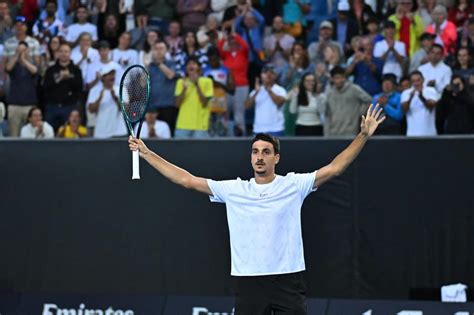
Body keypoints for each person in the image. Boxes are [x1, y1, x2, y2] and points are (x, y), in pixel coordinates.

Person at [127, 104, 386, 314]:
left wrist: (363, 135)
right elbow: (186, 180)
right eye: (255, 152)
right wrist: (147, 153)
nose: (259, 156)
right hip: (248, 281)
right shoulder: (234, 190)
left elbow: (335, 168)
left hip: (287, 279)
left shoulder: (294, 185)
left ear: (276, 158)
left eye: (265, 152)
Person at [42, 43, 83, 131]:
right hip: (52, 107)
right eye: (61, 51)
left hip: (70, 107)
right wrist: (59, 78)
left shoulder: (76, 70)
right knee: (49, 133)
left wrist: (69, 78)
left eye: (66, 51)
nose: (64, 54)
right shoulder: (51, 70)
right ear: (58, 53)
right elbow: (45, 87)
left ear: (70, 53)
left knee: (69, 135)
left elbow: (79, 88)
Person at [5, 40, 39, 137]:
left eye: (24, 50)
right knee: (14, 135)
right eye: (19, 50)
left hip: (29, 105)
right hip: (14, 105)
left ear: (28, 51)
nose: (21, 53)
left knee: (31, 134)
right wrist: (16, 56)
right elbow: (7, 68)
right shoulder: (13, 65)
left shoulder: (32, 63)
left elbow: (35, 71)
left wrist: (24, 60)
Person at [217, 32, 249, 136]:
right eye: (231, 43)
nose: (233, 44)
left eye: (235, 43)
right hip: (227, 87)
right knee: (224, 113)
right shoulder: (226, 55)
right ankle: (224, 137)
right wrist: (224, 38)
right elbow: (218, 50)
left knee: (239, 114)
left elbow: (245, 46)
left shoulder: (243, 54)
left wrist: (236, 36)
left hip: (241, 86)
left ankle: (241, 137)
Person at [325, 66, 372, 136]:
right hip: (333, 132)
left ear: (344, 78)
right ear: (332, 79)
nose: (340, 80)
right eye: (337, 78)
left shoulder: (354, 89)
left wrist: (359, 113)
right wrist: (327, 133)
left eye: (342, 77)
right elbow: (328, 114)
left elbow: (368, 100)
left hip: (350, 132)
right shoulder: (330, 93)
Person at [174, 57, 214, 138]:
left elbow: (205, 103)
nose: (191, 66)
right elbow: (177, 104)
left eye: (194, 64)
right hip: (183, 125)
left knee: (200, 151)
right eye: (189, 64)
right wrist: (184, 89)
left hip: (201, 126)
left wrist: (196, 84)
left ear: (199, 67)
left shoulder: (207, 81)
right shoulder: (180, 82)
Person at [245, 65, 288, 136]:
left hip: (276, 129)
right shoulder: (256, 91)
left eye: (271, 73)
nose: (268, 75)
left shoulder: (280, 90)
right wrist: (256, 92)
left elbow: (280, 103)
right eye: (265, 73)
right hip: (259, 130)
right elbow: (247, 106)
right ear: (261, 76)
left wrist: (268, 89)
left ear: (275, 76)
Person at [86, 65, 127, 138]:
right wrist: (99, 99)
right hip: (101, 132)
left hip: (119, 132)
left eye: (113, 74)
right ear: (103, 77)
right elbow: (91, 110)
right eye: (109, 75)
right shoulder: (94, 91)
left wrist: (115, 97)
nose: (112, 77)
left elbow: (126, 110)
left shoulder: (121, 89)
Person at [148, 41, 178, 136]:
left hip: (168, 105)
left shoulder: (172, 63)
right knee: (153, 134)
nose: (158, 51)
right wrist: (145, 66)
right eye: (156, 49)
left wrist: (159, 64)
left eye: (161, 48)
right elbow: (142, 83)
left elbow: (170, 75)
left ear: (166, 51)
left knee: (168, 134)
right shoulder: (150, 66)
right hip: (153, 107)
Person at [203, 50, 235, 137]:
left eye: (214, 60)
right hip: (208, 106)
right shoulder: (204, 71)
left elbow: (232, 90)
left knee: (223, 132)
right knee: (209, 133)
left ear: (218, 59)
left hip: (222, 107)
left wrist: (218, 84)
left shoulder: (226, 70)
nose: (212, 62)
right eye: (210, 60)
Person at [401, 70, 439, 136]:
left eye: (418, 80)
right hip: (412, 134)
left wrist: (422, 97)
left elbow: (432, 106)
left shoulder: (430, 90)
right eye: (413, 81)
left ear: (423, 80)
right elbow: (404, 109)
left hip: (429, 133)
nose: (416, 83)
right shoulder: (406, 93)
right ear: (411, 82)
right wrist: (410, 98)